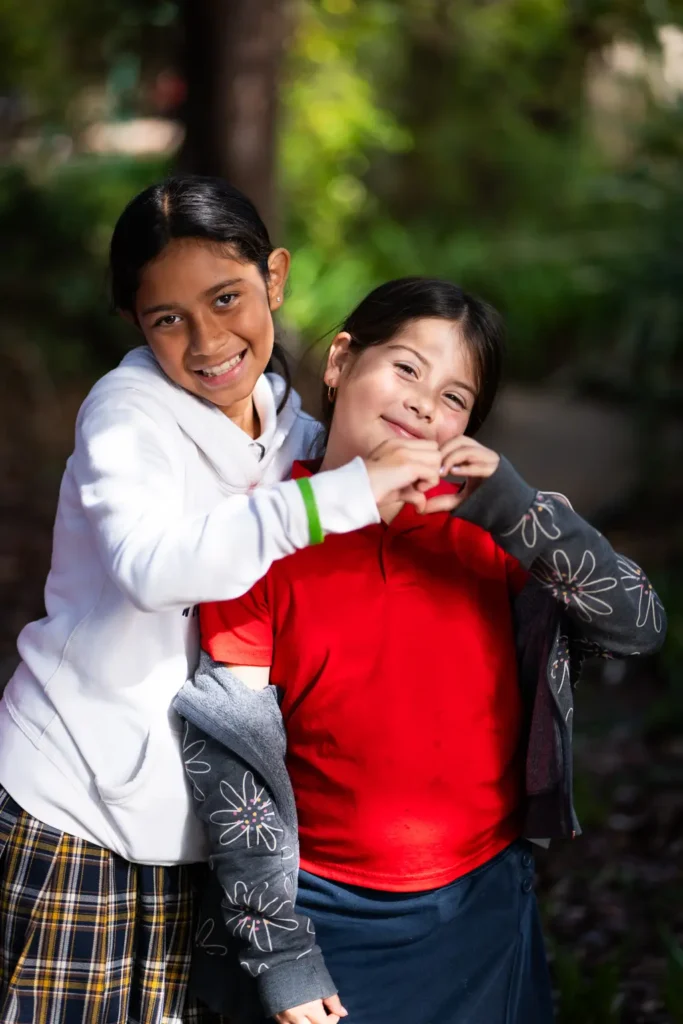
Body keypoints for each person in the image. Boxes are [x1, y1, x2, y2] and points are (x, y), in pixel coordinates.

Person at [0, 180, 439, 1024]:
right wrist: (330, 500)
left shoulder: (293, 434)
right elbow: (149, 564)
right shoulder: (125, 413)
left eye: (226, 298)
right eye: (168, 318)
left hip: (204, 836)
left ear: (273, 278)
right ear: (137, 324)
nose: (206, 341)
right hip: (74, 805)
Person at [176, 277, 667, 1024]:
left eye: (453, 398)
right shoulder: (264, 533)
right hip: (321, 913)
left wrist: (513, 506)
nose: (421, 404)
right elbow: (228, 754)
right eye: (405, 368)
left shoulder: (499, 532)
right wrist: (279, 951)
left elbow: (638, 624)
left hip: (482, 907)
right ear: (340, 360)